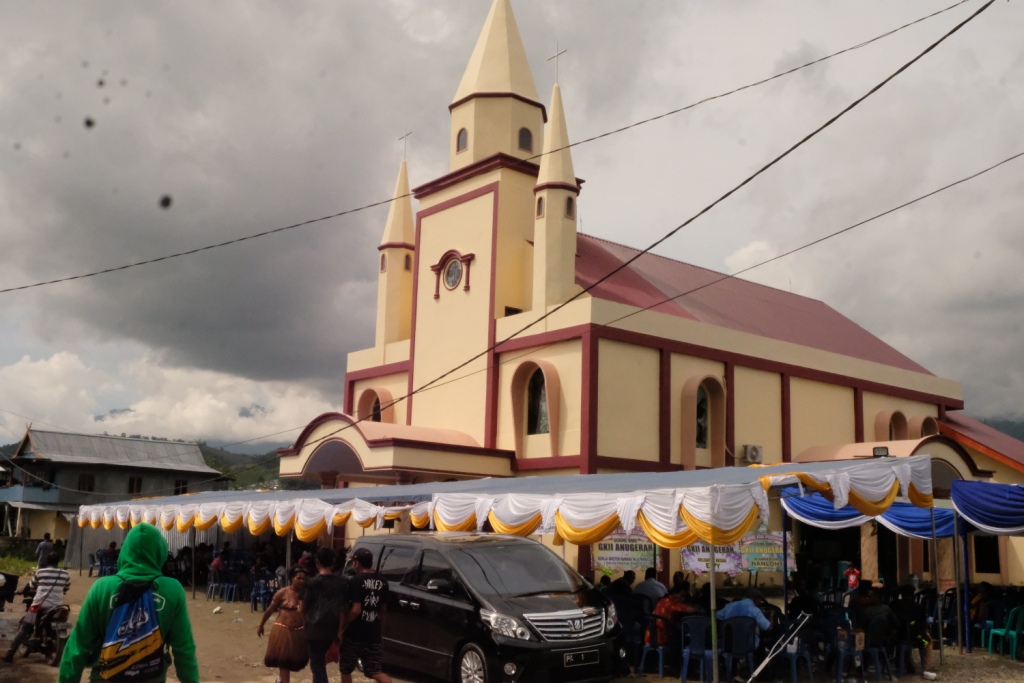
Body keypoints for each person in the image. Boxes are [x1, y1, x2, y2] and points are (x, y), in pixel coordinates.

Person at [57, 523, 198, 683]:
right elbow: (184, 649)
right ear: (160, 552)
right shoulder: (173, 590)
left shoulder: (101, 588)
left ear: (125, 552)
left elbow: (77, 647)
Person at [2, 551, 71, 662]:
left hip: (38, 606)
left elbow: (31, 585)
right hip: (58, 607)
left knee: (24, 629)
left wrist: (21, 591)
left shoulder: (40, 572)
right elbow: (66, 588)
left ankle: (9, 654)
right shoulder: (65, 574)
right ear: (58, 562)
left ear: (47, 561)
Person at [340, 547, 391, 683]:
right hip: (373, 634)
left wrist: (344, 625)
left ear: (357, 563)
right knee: (375, 670)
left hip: (355, 634)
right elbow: (383, 610)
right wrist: (380, 631)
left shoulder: (356, 581)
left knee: (346, 668)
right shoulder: (383, 581)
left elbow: (356, 609)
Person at [301, 547, 347, 683]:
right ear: (333, 563)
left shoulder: (310, 583)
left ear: (316, 562)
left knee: (317, 666)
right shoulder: (342, 583)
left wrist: (305, 625)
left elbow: (302, 608)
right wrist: (339, 631)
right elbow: (343, 610)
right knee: (319, 665)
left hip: (314, 630)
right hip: (332, 629)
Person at [258, 565, 309, 683]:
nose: (301, 581)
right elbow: (270, 610)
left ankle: (280, 680)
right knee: (284, 662)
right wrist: (261, 625)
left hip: (299, 632)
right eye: (298, 578)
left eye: (303, 579)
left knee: (293, 662)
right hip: (283, 631)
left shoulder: (306, 594)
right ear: (292, 578)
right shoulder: (282, 592)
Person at [891, 584, 936, 679]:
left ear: (902, 595)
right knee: (928, 641)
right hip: (915, 636)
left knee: (905, 644)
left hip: (897, 635)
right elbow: (922, 624)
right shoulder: (918, 607)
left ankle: (909, 664)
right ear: (913, 595)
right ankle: (927, 668)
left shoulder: (894, 604)